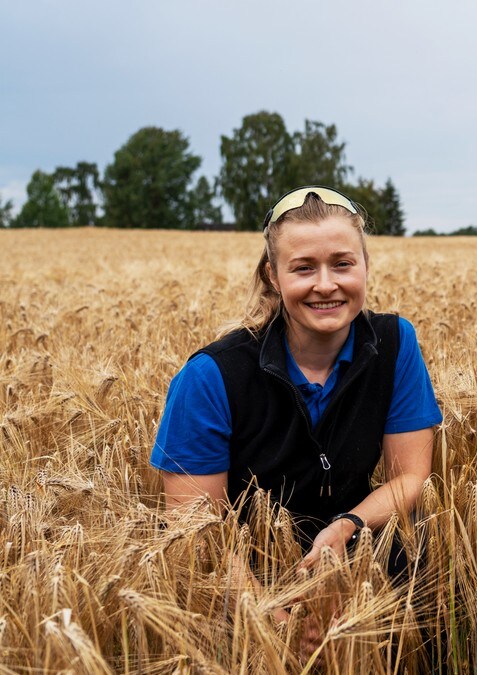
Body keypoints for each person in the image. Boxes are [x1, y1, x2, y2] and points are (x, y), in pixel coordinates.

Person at [151, 185, 442, 572]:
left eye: (342, 264)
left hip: (354, 557)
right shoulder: (210, 377)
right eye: (304, 267)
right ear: (273, 275)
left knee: (414, 547)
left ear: (365, 265)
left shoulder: (394, 343)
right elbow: (197, 534)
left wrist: (347, 526)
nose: (325, 285)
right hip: (245, 578)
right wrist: (269, 621)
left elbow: (410, 477)